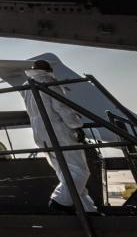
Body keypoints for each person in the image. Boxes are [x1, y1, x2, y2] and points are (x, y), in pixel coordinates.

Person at [22, 59, 97, 214]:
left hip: (40, 134)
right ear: (48, 70)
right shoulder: (48, 82)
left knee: (67, 176)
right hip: (58, 132)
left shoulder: (27, 87)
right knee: (79, 171)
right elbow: (61, 107)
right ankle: (58, 202)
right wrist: (76, 126)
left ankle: (88, 210)